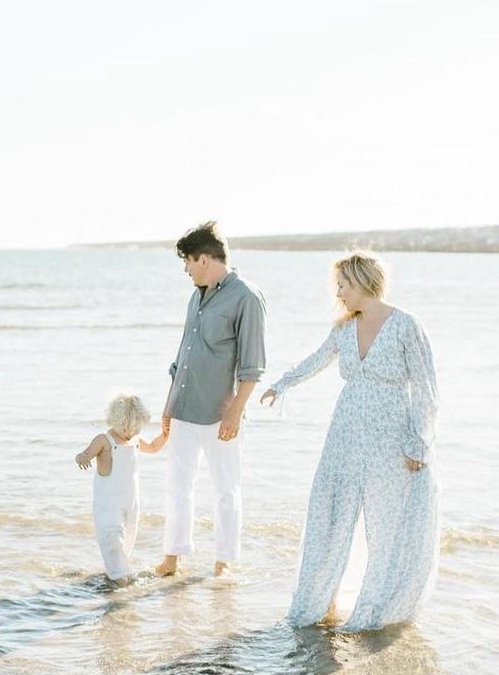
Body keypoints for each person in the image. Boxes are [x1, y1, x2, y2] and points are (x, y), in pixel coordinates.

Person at [261, 252, 439, 631]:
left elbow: (426, 388)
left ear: (361, 283)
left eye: (342, 285)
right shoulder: (344, 328)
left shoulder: (406, 325)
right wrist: (282, 383)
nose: (339, 293)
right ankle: (321, 602)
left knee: (387, 524)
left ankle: (379, 609)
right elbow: (317, 359)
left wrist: (418, 442)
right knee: (330, 512)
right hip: (344, 435)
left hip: (391, 439)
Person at [156, 221, 266, 578]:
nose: (185, 270)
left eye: (187, 262)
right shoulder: (196, 296)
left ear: (203, 259)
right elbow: (182, 357)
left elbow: (252, 366)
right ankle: (173, 557)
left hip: (221, 414)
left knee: (226, 491)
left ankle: (224, 562)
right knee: (177, 487)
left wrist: (235, 413)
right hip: (184, 409)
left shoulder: (246, 297)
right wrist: (169, 406)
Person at [74, 395, 168, 585]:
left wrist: (165, 435)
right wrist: (81, 458)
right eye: (126, 428)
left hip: (131, 500)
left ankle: (118, 570)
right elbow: (86, 453)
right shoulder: (104, 440)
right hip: (108, 501)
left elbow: (153, 448)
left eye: (134, 429)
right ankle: (119, 576)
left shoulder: (135, 439)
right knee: (112, 536)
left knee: (129, 535)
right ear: (115, 420)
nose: (129, 433)